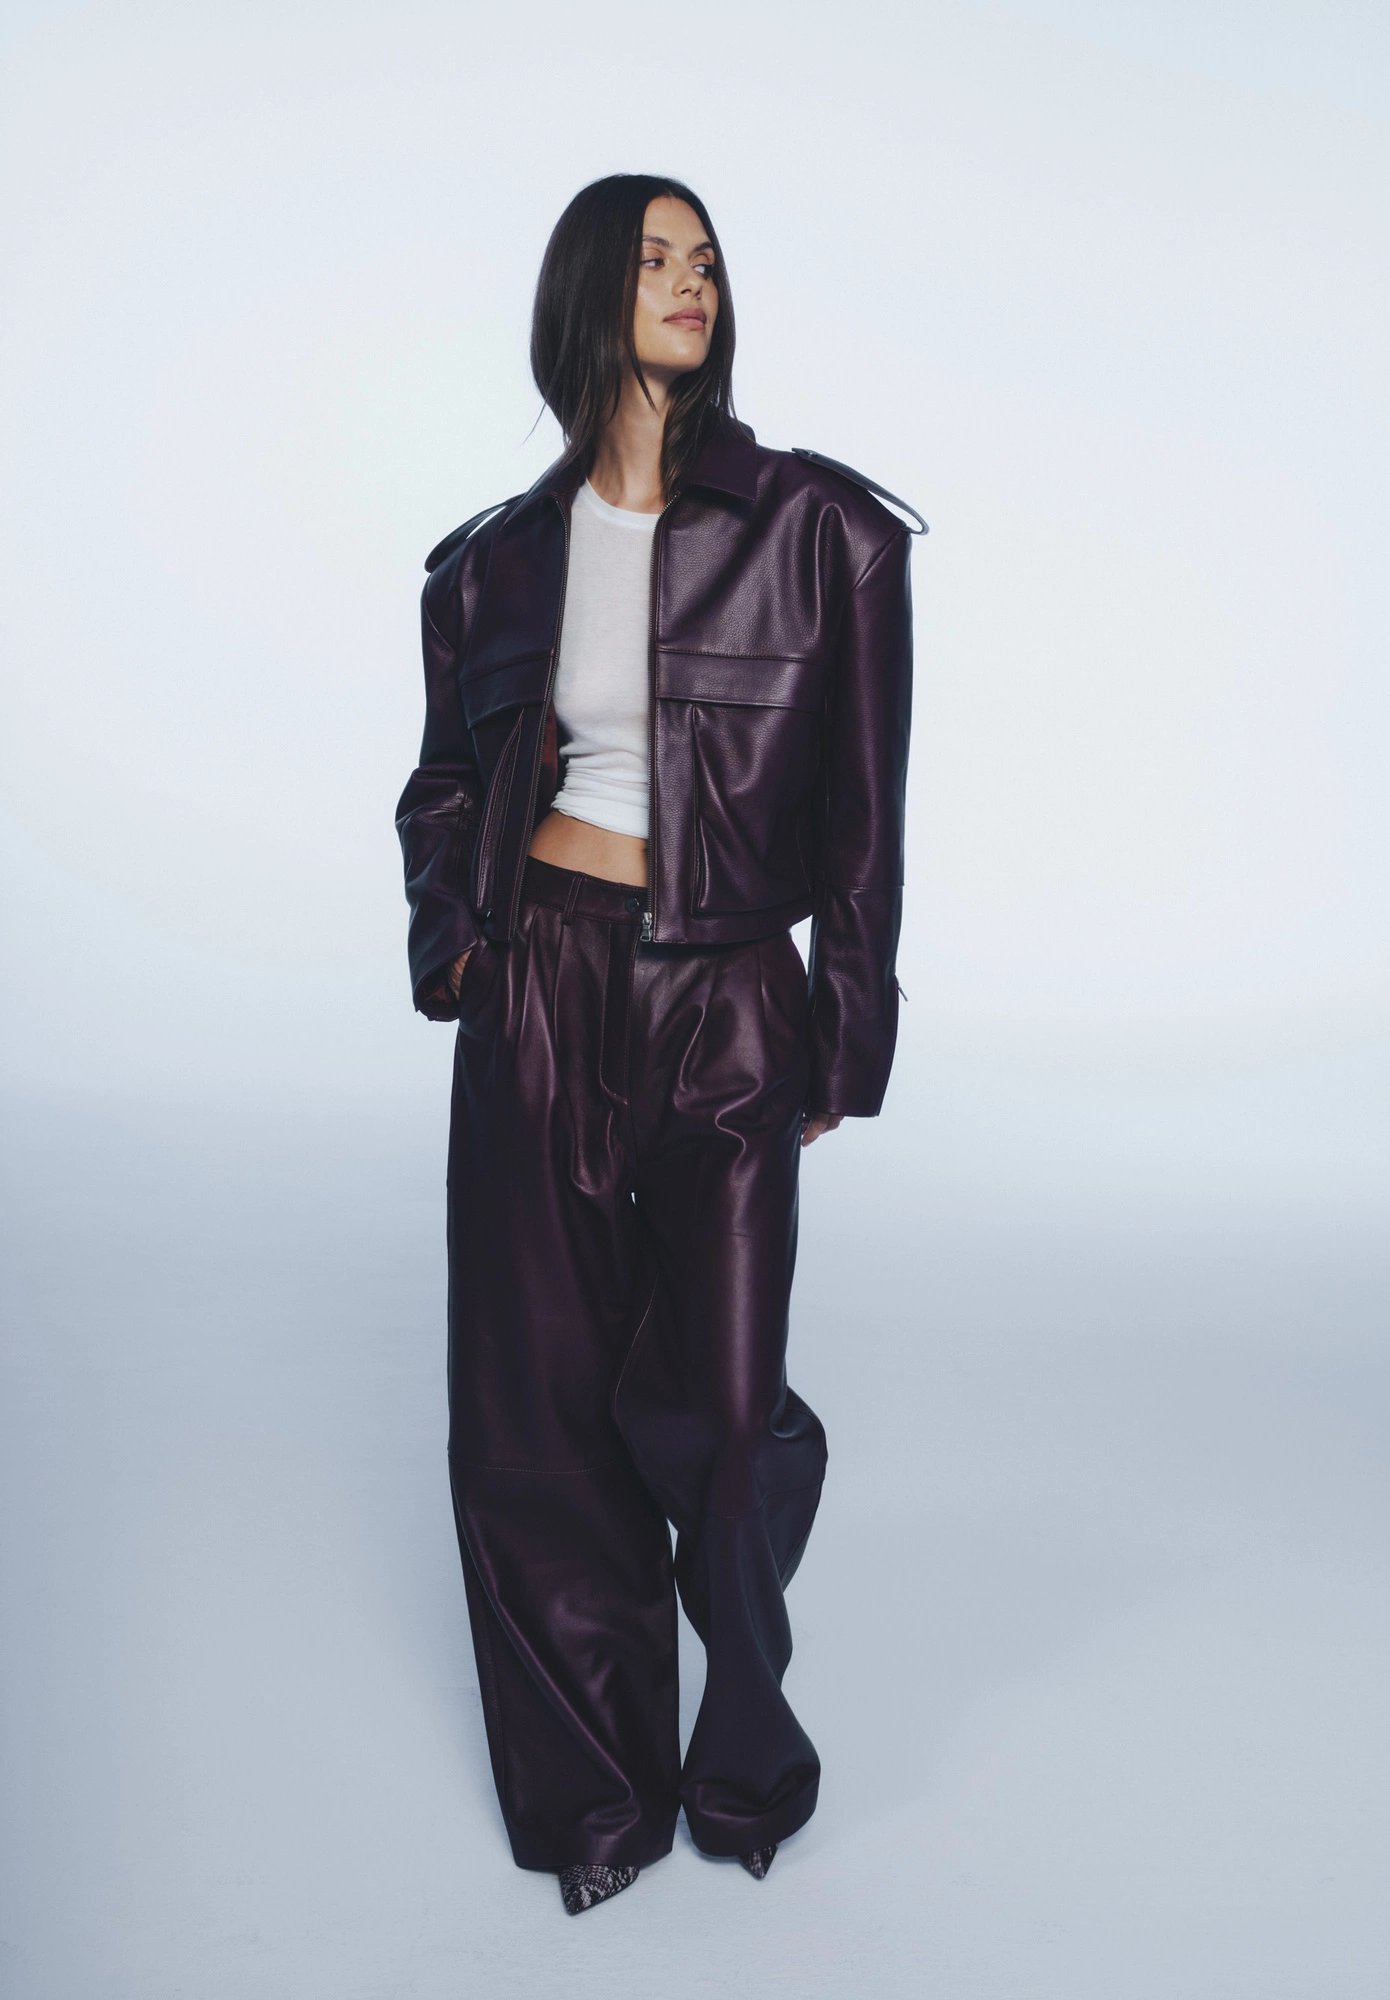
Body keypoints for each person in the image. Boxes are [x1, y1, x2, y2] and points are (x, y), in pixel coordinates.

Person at [396, 173, 922, 1916]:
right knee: (535, 1411)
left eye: (705, 259)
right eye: (652, 258)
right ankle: (593, 1801)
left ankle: (746, 1759)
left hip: (726, 991)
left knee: (728, 1409)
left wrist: (845, 1034)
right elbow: (444, 786)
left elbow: (866, 821)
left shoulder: (821, 532)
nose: (690, 282)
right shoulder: (490, 562)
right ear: (585, 297)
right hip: (539, 982)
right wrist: (457, 949)